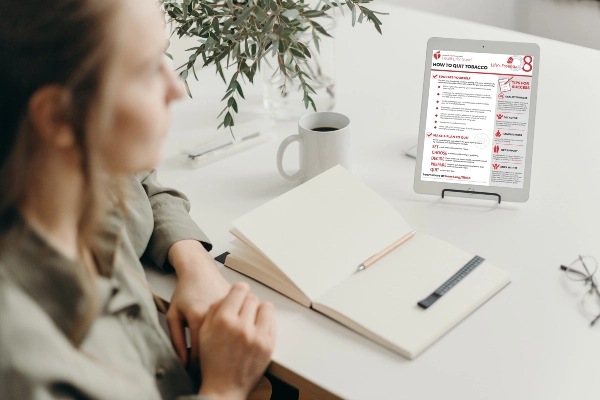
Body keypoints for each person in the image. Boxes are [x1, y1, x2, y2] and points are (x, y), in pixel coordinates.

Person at [0, 0, 276, 399]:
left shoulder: (75, 168)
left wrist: (194, 263)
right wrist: (224, 388)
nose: (177, 88)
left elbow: (137, 177)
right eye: (148, 70)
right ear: (59, 117)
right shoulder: (25, 362)